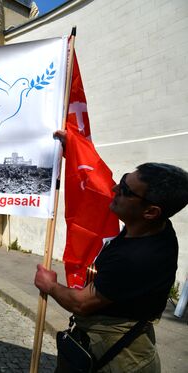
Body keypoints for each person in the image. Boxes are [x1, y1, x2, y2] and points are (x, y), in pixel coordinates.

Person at [34, 130, 188, 372]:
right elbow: (99, 191)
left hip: (118, 359)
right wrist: (73, 153)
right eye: (124, 179)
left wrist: (50, 285)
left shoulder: (137, 258)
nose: (116, 188)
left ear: (151, 211)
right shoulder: (153, 226)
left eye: (125, 190)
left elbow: (81, 305)